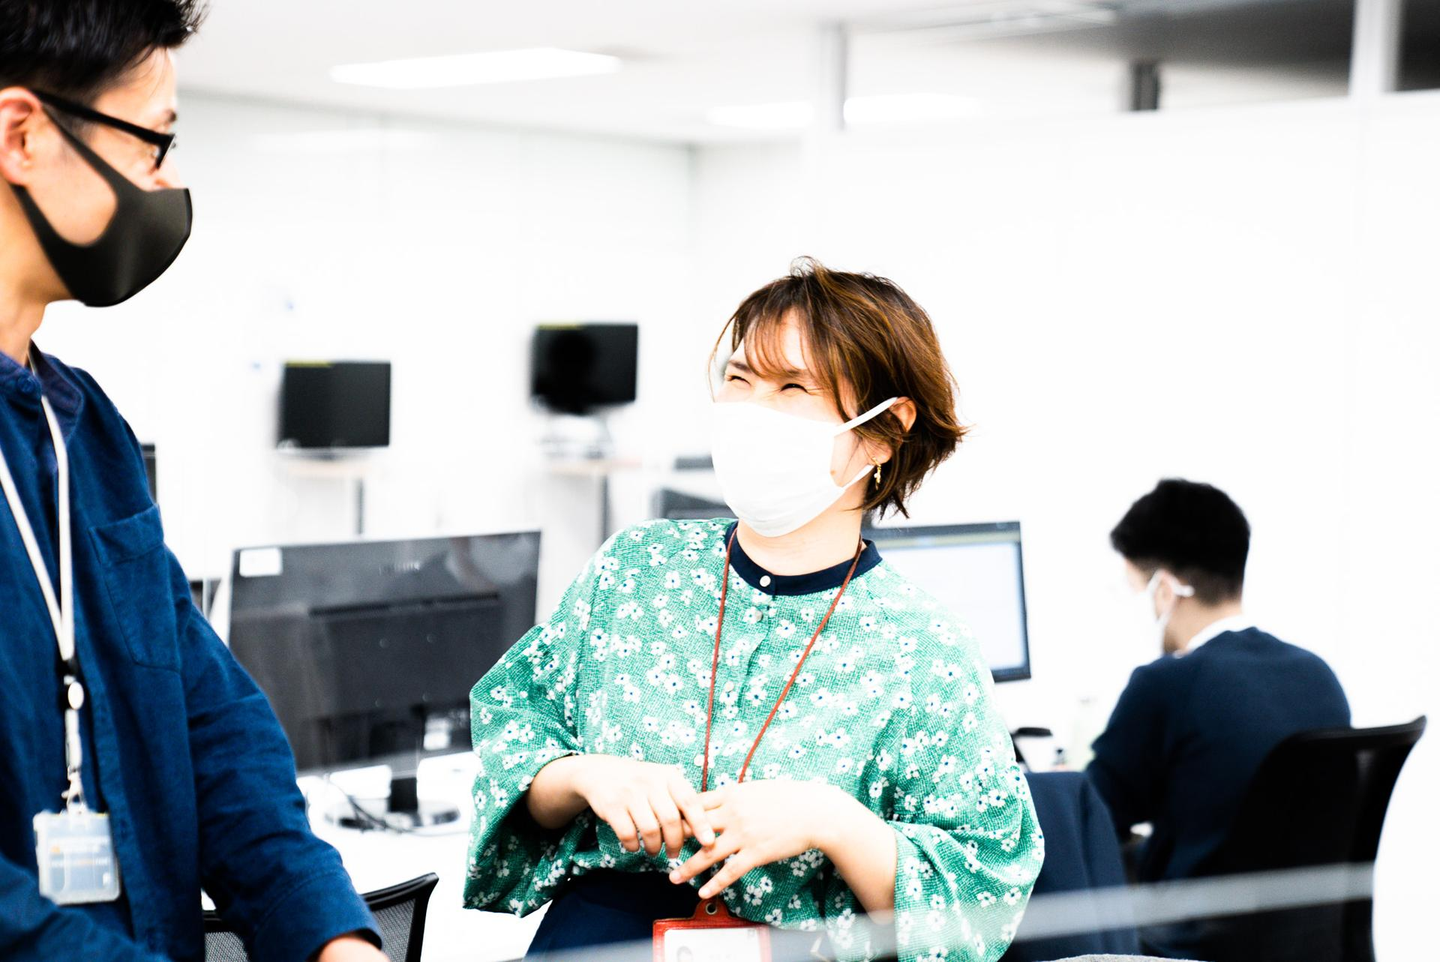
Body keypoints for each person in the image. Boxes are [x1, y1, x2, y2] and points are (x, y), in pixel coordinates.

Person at [463, 259, 1043, 962]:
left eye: (792, 387)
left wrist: (834, 823)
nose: (750, 411)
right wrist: (582, 774)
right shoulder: (635, 569)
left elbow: (980, 899)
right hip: (597, 940)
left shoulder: (924, 647)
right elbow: (515, 732)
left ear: (884, 431)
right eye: (739, 381)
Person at [0, 3, 386, 960]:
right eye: (152, 142)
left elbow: (208, 723)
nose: (166, 184)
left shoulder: (83, 431)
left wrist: (329, 935)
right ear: (22, 135)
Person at [1087, 479, 1351, 889]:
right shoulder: (1318, 675)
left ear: (1165, 590)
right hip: (1310, 922)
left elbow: (1092, 814)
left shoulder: (1166, 684)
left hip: (1190, 926)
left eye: (1134, 589)